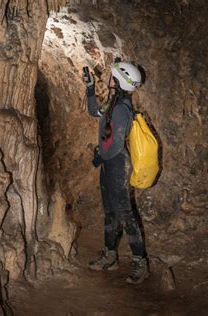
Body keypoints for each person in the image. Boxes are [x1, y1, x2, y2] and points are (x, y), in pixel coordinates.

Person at [83, 60, 149, 284]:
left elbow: (118, 143)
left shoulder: (121, 109)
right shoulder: (114, 103)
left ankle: (140, 262)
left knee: (125, 214)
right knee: (110, 212)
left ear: (119, 81)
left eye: (112, 76)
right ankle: (110, 255)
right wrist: (90, 88)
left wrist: (101, 156)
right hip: (109, 165)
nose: (109, 79)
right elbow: (94, 112)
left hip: (118, 166)